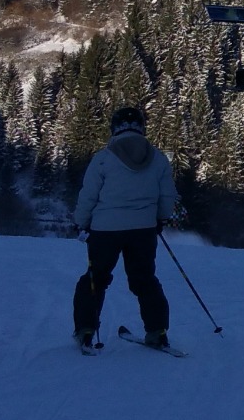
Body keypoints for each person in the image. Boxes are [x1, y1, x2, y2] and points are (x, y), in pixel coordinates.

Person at [71, 106, 178, 351]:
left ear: (114, 128)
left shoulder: (103, 158)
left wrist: (81, 221)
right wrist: (160, 218)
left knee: (94, 279)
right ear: (141, 127)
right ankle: (157, 331)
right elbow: (167, 195)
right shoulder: (158, 159)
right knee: (145, 280)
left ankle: (86, 330)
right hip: (143, 230)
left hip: (105, 230)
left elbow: (88, 195)